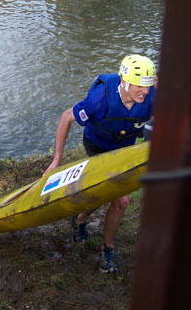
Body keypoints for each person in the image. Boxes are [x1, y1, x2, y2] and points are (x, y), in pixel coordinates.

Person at [44, 54, 156, 273]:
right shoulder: (99, 99)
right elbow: (67, 117)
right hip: (97, 146)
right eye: (140, 87)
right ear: (124, 82)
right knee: (113, 195)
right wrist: (56, 159)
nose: (145, 91)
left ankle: (105, 246)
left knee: (120, 201)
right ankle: (81, 218)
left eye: (148, 86)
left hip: (123, 149)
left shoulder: (150, 96)